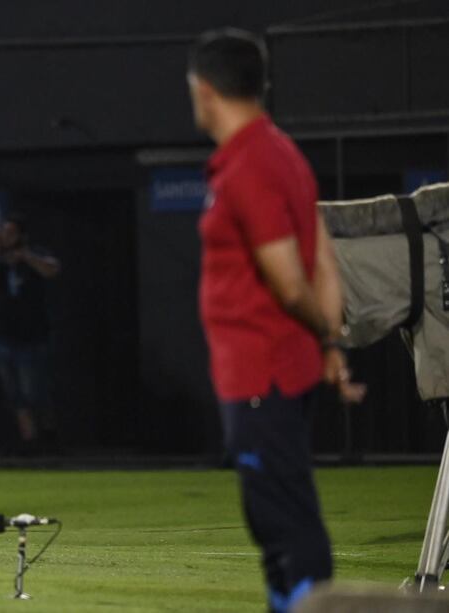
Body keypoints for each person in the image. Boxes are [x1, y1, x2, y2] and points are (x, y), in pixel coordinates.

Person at [187, 30, 365, 612]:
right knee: (277, 523)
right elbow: (324, 255)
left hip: (262, 375)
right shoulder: (280, 151)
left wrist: (329, 336)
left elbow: (291, 282)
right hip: (270, 372)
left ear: (205, 90)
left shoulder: (250, 166)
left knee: (284, 523)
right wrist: (332, 340)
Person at [0, 213, 61, 453]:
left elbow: (52, 270)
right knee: (15, 393)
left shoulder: (35, 253)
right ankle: (29, 441)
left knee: (36, 391)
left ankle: (48, 436)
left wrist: (25, 256)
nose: (6, 237)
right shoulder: (0, 260)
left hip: (34, 336)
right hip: (7, 336)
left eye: (10, 233)